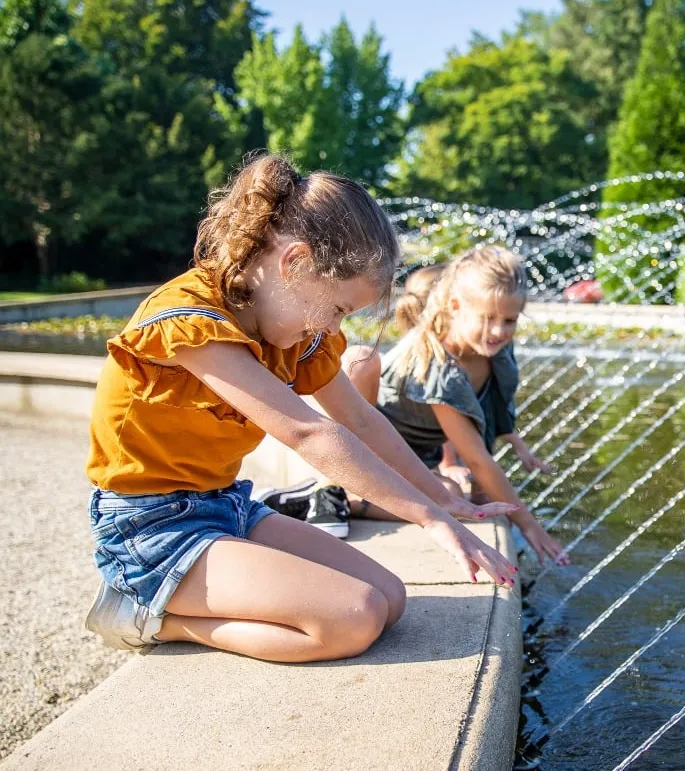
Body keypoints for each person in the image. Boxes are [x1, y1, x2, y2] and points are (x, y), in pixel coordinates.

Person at [84, 153, 518, 663]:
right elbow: (309, 433)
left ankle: (179, 598)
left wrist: (443, 500)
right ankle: (152, 615)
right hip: (151, 528)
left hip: (227, 506)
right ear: (293, 263)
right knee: (350, 620)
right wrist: (427, 519)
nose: (335, 330)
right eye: (337, 309)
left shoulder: (294, 333)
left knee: (390, 600)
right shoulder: (190, 322)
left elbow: (359, 418)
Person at [338, 247, 570, 565]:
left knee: (470, 494)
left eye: (509, 320)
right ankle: (346, 498)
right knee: (453, 497)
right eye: (487, 318)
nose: (499, 330)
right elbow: (477, 459)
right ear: (455, 306)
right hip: (378, 452)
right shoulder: (438, 366)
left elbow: (491, 413)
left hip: (421, 456)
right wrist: (530, 525)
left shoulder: (494, 352)